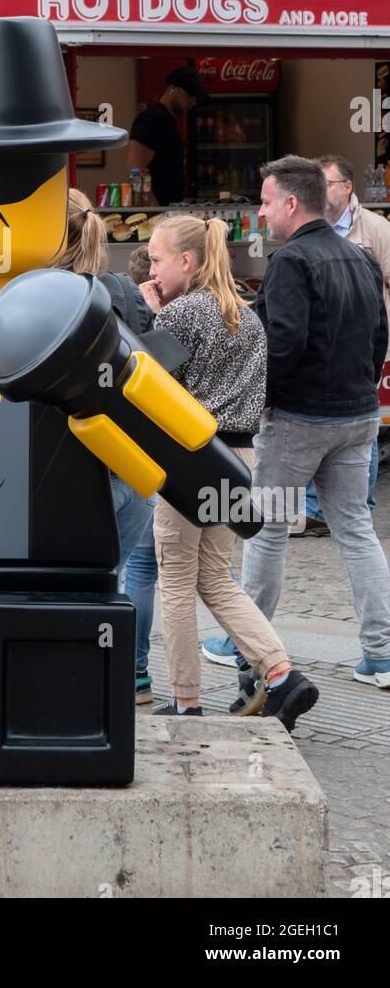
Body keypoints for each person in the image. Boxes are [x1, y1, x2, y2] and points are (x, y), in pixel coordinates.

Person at [140, 213, 319, 729]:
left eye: (157, 259)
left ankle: (186, 699)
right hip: (239, 458)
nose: (151, 269)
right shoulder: (247, 314)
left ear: (187, 261)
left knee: (175, 579)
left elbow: (150, 387)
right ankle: (281, 672)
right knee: (217, 577)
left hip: (188, 457)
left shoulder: (182, 316)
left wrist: (152, 318)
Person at [241, 155, 390, 689]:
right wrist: (362, 389)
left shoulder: (289, 262)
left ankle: (247, 648)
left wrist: (262, 401)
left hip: (299, 419)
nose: (260, 213)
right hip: (357, 413)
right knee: (355, 529)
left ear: (291, 202)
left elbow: (283, 343)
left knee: (268, 529)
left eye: (263, 201)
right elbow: (379, 337)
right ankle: (382, 651)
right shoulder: (361, 257)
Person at [54, 189, 160, 703]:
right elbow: (161, 372)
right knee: (109, 583)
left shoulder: (36, 300)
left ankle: (69, 699)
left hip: (69, 472)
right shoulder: (123, 288)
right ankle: (112, 690)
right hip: (133, 467)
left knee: (56, 592)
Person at [297, 154, 390, 535]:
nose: (320, 191)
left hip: (362, 342)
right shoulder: (311, 226)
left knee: (361, 424)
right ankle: (317, 509)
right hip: (320, 347)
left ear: (346, 188)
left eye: (327, 184)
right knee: (323, 423)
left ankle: (358, 505)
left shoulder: (376, 229)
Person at [126, 67, 206, 207]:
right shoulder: (153, 119)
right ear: (171, 89)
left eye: (196, 98)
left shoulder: (166, 119)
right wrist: (156, 212)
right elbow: (135, 169)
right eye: (189, 95)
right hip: (159, 216)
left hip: (168, 212)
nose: (193, 102)